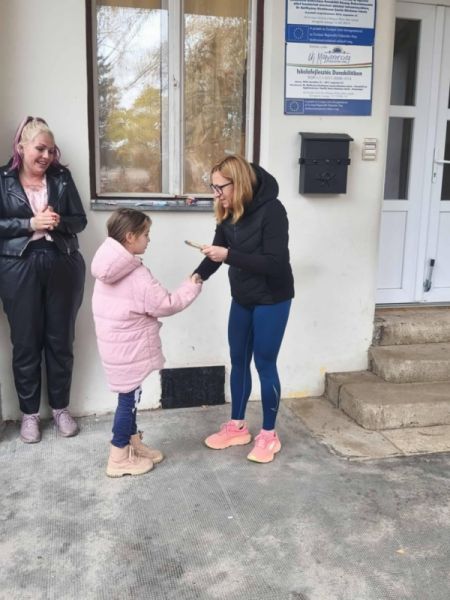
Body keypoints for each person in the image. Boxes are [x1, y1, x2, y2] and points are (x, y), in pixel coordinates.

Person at [193, 155, 294, 464]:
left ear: (238, 183)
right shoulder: (227, 212)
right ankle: (237, 427)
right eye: (213, 187)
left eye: (220, 187)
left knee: (264, 363)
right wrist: (198, 275)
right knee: (238, 360)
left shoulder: (273, 210)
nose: (216, 194)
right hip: (242, 297)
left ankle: (269, 435)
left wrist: (229, 255)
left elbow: (274, 263)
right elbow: (216, 254)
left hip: (272, 298)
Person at [91, 208, 202, 477]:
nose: (149, 239)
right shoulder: (135, 274)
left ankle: (133, 444)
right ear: (130, 237)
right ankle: (118, 457)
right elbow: (165, 304)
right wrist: (191, 285)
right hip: (130, 348)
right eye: (146, 234)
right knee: (128, 401)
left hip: (116, 346)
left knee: (129, 396)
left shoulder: (107, 267)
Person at [0, 116, 87, 443]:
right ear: (21, 147)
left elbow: (79, 221)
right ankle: (29, 415)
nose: (47, 156)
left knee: (60, 340)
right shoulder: (3, 180)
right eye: (40, 148)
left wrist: (58, 221)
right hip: (17, 266)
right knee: (25, 343)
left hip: (62, 262)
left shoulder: (62, 178)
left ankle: (61, 409)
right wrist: (29, 223)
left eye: (51, 150)